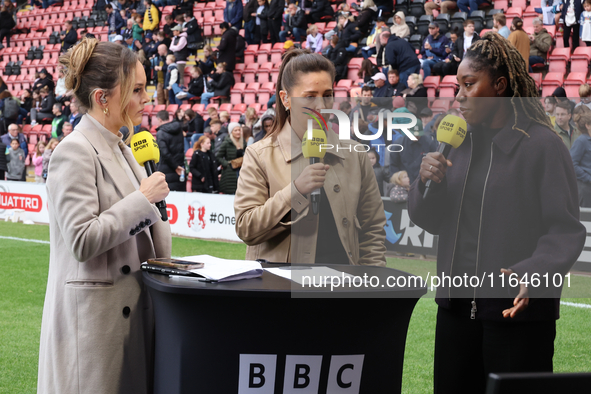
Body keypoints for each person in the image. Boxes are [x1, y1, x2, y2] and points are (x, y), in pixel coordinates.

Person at [408, 32, 586, 394]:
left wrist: (534, 273)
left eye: (469, 84)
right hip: (456, 313)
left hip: (517, 317)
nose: (458, 96)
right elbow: (427, 219)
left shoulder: (543, 145)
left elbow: (565, 230)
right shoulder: (454, 143)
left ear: (501, 85)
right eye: (457, 85)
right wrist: (427, 183)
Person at [38, 38, 172, 394]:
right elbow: (82, 240)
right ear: (103, 98)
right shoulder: (73, 152)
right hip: (95, 331)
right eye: (137, 90)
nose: (148, 99)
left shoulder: (124, 147)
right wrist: (144, 200)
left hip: (129, 319)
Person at [234, 49, 387, 265]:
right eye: (309, 97)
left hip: (343, 289)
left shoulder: (355, 155)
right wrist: (295, 190)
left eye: (327, 95)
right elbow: (246, 228)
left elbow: (373, 230)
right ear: (286, 99)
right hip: (279, 291)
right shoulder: (259, 154)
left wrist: (370, 285)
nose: (321, 106)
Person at [156, 109, 187, 192]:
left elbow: (165, 153)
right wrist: (177, 166)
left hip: (167, 170)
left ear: (160, 120)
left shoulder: (160, 133)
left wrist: (175, 167)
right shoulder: (178, 129)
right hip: (180, 169)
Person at [216, 122, 244, 194]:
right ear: (231, 132)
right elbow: (218, 156)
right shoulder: (227, 142)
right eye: (235, 130)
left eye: (239, 130)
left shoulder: (243, 142)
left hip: (242, 170)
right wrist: (226, 164)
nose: (238, 132)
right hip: (230, 172)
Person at [570, 112, 591, 206]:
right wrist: (588, 178)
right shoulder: (581, 141)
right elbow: (572, 164)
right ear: (587, 125)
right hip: (584, 188)